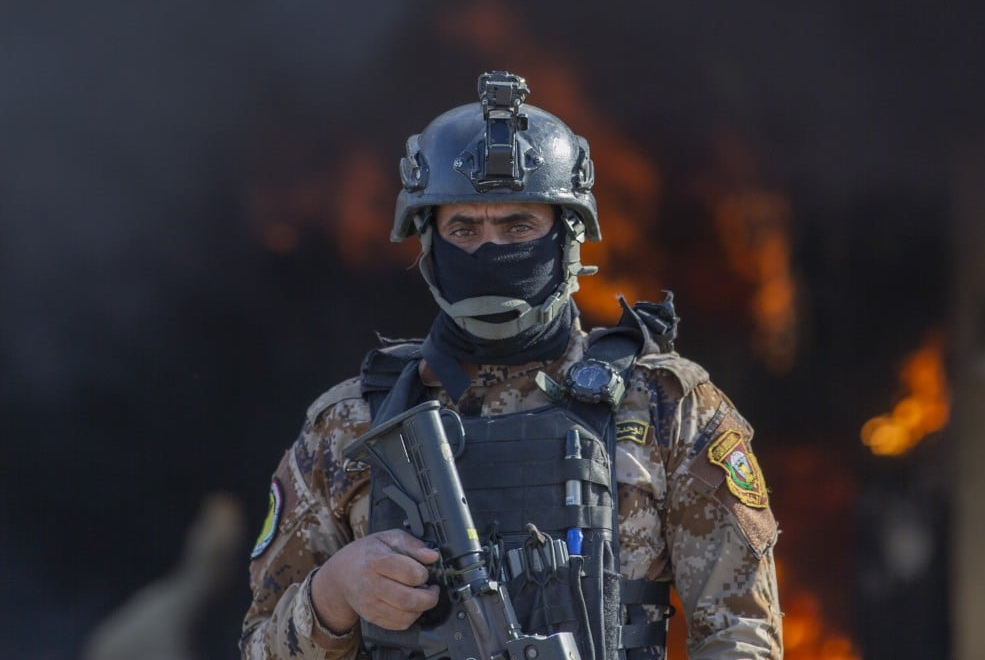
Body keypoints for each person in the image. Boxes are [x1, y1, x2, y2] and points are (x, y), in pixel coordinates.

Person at [241, 71, 783, 659]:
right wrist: (335, 593)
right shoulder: (348, 425)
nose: (490, 249)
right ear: (429, 244)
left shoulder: (666, 406)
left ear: (567, 238)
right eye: (464, 229)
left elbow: (741, 635)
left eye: (517, 225)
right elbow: (258, 646)